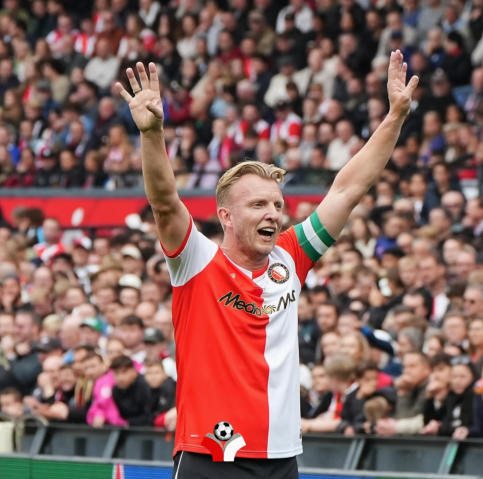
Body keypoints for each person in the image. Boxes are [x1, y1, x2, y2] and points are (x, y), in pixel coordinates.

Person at [116, 51, 418, 478]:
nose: (273, 214)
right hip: (210, 454)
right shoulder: (195, 261)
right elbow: (165, 203)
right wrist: (152, 134)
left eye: (277, 205)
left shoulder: (291, 256)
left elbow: (347, 189)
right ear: (226, 216)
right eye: (258, 205)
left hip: (281, 457)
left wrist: (395, 117)